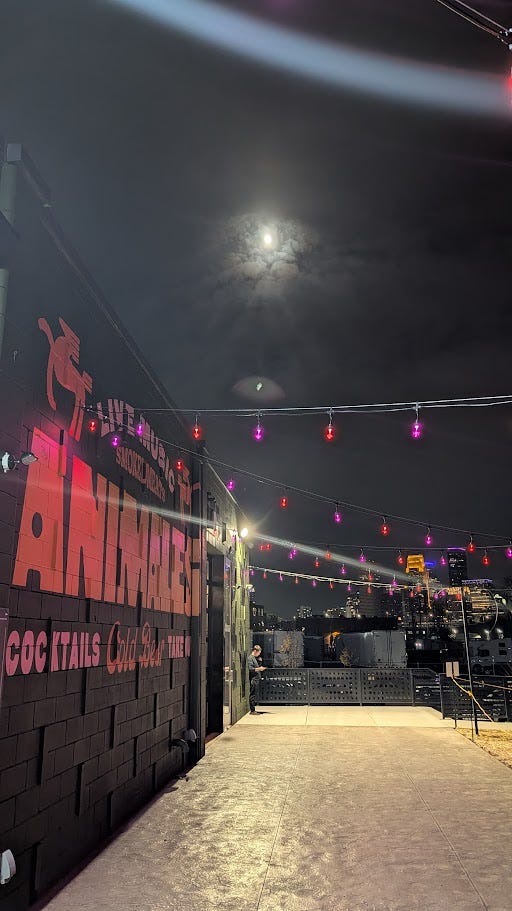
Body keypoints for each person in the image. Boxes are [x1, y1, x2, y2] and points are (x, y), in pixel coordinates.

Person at [248, 644, 267, 714]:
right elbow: (251, 669)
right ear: (255, 651)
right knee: (252, 694)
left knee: (254, 694)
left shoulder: (254, 658)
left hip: (256, 679)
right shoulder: (250, 658)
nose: (259, 654)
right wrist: (260, 668)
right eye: (259, 652)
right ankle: (252, 710)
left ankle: (253, 709)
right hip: (253, 679)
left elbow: (255, 666)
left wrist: (259, 663)